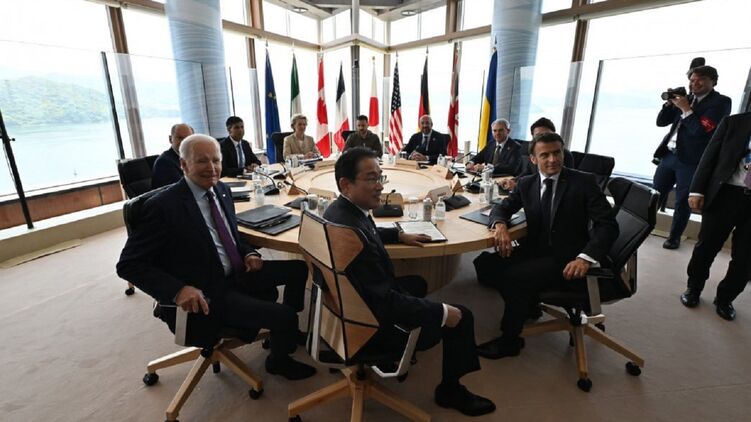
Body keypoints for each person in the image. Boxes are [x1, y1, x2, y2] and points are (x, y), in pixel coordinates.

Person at [117, 134, 316, 381]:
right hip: (208, 289)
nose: (211, 168)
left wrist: (248, 252)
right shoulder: (163, 207)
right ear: (184, 165)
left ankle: (284, 334)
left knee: (298, 269)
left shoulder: (221, 189)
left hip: (237, 271)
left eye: (216, 160)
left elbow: (230, 235)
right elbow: (129, 264)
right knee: (284, 315)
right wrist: (177, 290)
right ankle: (278, 360)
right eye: (202, 161)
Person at [322, 147, 496, 417]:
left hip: (341, 312)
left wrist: (397, 235)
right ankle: (450, 390)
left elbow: (366, 233)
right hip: (369, 327)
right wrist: (443, 312)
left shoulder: (339, 213)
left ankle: (403, 351)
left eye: (380, 177)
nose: (380, 186)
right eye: (371, 179)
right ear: (346, 184)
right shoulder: (353, 233)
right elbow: (386, 303)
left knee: (417, 283)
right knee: (461, 316)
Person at [476, 132, 618, 358]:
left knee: (514, 278)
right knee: (484, 264)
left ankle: (510, 340)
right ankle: (528, 304)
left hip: (568, 256)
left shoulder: (583, 182)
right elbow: (502, 207)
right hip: (536, 249)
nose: (552, 159)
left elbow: (607, 226)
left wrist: (585, 257)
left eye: (556, 153)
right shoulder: (526, 183)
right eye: (545, 155)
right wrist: (500, 225)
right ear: (533, 159)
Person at [680, 112, 751, 321]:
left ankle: (725, 298)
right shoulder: (734, 122)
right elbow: (709, 156)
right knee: (707, 247)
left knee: (746, 257)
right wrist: (697, 190)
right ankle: (693, 288)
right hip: (726, 194)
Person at [652, 65, 731, 250]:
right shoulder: (686, 99)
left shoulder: (720, 102)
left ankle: (674, 237)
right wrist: (669, 104)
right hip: (669, 155)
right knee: (655, 194)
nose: (695, 83)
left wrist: (686, 109)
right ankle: (643, 227)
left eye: (701, 79)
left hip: (692, 161)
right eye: (692, 80)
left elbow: (701, 132)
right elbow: (661, 122)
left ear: (713, 82)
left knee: (682, 201)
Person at [499, 117, 574, 191]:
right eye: (539, 136)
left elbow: (559, 183)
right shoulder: (535, 153)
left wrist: (519, 186)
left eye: (547, 135)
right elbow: (527, 173)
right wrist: (513, 181)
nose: (544, 139)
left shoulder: (564, 155)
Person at [151, 123, 193, 188]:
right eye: (180, 138)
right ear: (170, 139)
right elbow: (181, 189)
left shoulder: (192, 157)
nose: (184, 142)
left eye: (188, 138)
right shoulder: (164, 162)